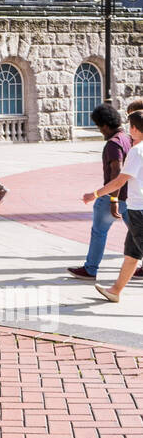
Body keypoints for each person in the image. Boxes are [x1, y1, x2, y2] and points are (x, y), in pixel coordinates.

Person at [70, 104, 143, 281]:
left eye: (99, 126)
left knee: (99, 232)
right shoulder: (127, 138)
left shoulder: (113, 144)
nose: (100, 130)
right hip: (131, 197)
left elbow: (116, 174)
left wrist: (112, 200)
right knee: (135, 236)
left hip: (115, 197)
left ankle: (91, 269)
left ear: (104, 125)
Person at [85, 111, 143, 303]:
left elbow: (119, 181)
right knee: (131, 255)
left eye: (130, 126)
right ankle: (116, 290)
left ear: (134, 128)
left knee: (134, 253)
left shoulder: (137, 151)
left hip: (138, 210)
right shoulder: (135, 147)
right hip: (137, 208)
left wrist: (94, 194)